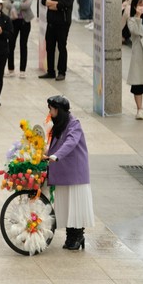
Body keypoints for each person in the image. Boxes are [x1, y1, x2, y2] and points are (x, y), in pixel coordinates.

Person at [45, 95, 95, 250]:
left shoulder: (74, 124)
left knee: (76, 206)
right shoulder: (59, 125)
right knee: (67, 206)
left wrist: (56, 156)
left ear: (58, 110)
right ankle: (70, 237)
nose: (50, 113)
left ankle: (78, 236)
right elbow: (54, 145)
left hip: (75, 173)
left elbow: (70, 142)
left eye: (52, 110)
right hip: (62, 172)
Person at [39, 0, 75, 81]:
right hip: (51, 24)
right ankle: (51, 71)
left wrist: (52, 4)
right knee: (49, 47)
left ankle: (62, 72)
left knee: (61, 47)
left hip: (62, 25)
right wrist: (54, 4)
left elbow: (62, 5)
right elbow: (43, 0)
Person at [6, 0, 35, 78]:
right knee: (11, 44)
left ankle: (22, 70)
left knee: (23, 45)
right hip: (13, 20)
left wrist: (16, 4)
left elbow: (27, 5)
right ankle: (11, 69)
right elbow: (7, 4)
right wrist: (18, 4)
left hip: (25, 21)